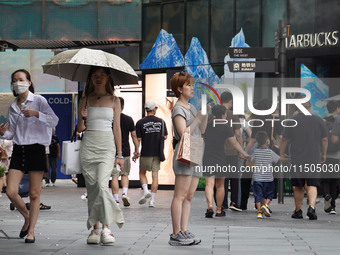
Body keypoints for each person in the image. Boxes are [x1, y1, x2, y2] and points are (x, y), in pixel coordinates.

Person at [0, 69, 59, 243]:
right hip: (19, 149)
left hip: (36, 149)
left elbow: (54, 120)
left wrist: (36, 114)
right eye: (14, 80)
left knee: (34, 194)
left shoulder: (39, 100)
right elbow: (11, 133)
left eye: (21, 79)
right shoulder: (13, 106)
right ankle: (26, 216)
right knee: (11, 191)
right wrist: (3, 132)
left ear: (29, 82)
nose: (17, 82)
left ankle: (31, 230)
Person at [77, 66, 124, 245]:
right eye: (95, 75)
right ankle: (95, 229)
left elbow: (117, 128)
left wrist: (120, 154)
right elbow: (80, 129)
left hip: (106, 146)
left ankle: (106, 227)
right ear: (90, 79)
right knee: (92, 189)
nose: (98, 78)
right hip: (88, 144)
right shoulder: (84, 100)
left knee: (102, 185)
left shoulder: (114, 100)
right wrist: (82, 118)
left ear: (108, 78)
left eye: (102, 75)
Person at [168, 71, 209, 246]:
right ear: (179, 88)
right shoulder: (178, 108)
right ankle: (176, 233)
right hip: (185, 153)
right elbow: (183, 132)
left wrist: (203, 117)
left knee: (189, 195)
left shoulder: (191, 108)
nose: (192, 88)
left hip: (196, 151)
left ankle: (184, 230)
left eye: (192, 85)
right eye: (188, 85)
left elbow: (203, 130)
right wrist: (198, 117)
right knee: (180, 195)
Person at [280, 99, 328, 220]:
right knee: (312, 184)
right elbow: (324, 139)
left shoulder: (292, 121)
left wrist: (281, 153)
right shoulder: (319, 120)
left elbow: (284, 139)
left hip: (297, 157)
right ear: (310, 106)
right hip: (314, 156)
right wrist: (323, 154)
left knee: (299, 185)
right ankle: (311, 207)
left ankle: (298, 210)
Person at [203, 105, 249, 218]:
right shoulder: (226, 127)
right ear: (224, 114)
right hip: (220, 157)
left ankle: (210, 206)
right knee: (220, 185)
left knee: (209, 184)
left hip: (208, 156)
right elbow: (234, 143)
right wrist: (243, 153)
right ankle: (219, 210)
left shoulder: (208, 125)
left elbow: (201, 134)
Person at [134, 100, 168, 207]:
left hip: (145, 152)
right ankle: (152, 200)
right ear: (154, 109)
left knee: (142, 173)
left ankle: (145, 190)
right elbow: (165, 136)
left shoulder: (140, 122)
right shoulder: (161, 122)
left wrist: (136, 151)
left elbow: (138, 139)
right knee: (155, 175)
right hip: (157, 153)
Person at [251, 131, 290, 219]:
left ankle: (259, 213)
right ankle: (266, 205)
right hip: (268, 178)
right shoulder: (270, 152)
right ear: (267, 141)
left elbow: (251, 160)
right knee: (269, 194)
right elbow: (280, 159)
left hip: (257, 178)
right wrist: (289, 159)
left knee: (258, 195)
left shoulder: (255, 152)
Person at [111, 97, 139, 206]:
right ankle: (125, 193)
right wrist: (137, 149)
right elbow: (134, 136)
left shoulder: (110, 119)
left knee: (114, 176)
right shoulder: (128, 119)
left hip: (113, 152)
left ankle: (116, 199)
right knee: (125, 174)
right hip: (125, 151)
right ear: (123, 106)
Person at [220, 92, 243, 211]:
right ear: (231, 101)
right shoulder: (233, 115)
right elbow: (238, 135)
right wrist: (241, 150)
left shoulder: (214, 114)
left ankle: (222, 203)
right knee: (234, 178)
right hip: (232, 152)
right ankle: (234, 202)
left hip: (219, 152)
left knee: (221, 179)